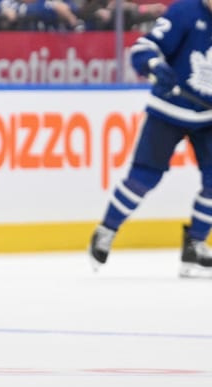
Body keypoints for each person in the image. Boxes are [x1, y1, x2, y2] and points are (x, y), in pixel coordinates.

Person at [89, 0, 212, 278]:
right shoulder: (185, 12)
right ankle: (106, 229)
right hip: (168, 110)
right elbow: (145, 47)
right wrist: (155, 65)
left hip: (207, 118)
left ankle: (195, 244)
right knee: (144, 177)